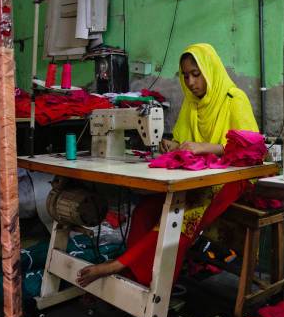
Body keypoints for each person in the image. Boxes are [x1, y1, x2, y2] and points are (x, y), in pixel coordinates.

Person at [77, 43, 258, 287]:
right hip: (200, 176)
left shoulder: (234, 98)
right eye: (185, 75)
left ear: (210, 70)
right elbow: (185, 143)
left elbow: (251, 150)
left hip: (232, 178)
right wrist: (173, 146)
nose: (191, 82)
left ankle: (123, 266)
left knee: (182, 215)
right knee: (145, 211)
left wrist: (206, 147)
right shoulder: (192, 104)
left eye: (196, 74)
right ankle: (138, 278)